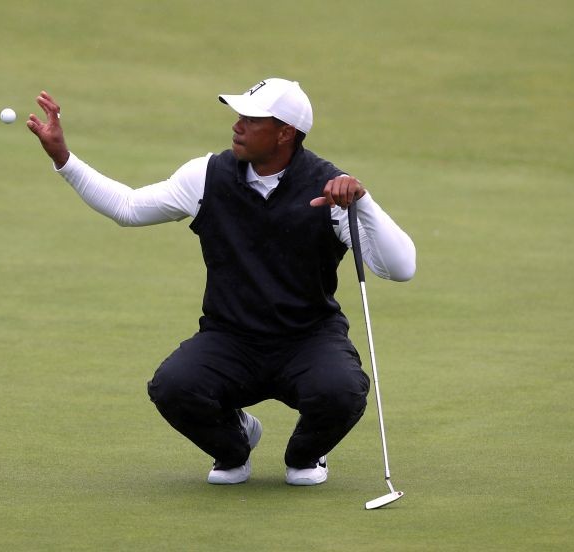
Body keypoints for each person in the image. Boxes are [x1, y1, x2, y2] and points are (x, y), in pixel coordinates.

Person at [27, 78, 416, 486]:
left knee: (341, 391)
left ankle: (306, 454)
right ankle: (234, 445)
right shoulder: (207, 176)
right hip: (230, 339)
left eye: (251, 119)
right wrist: (63, 159)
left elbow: (400, 267)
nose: (237, 126)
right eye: (238, 116)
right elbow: (127, 207)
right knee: (174, 387)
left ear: (285, 133)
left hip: (308, 339)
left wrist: (364, 203)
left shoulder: (329, 189)